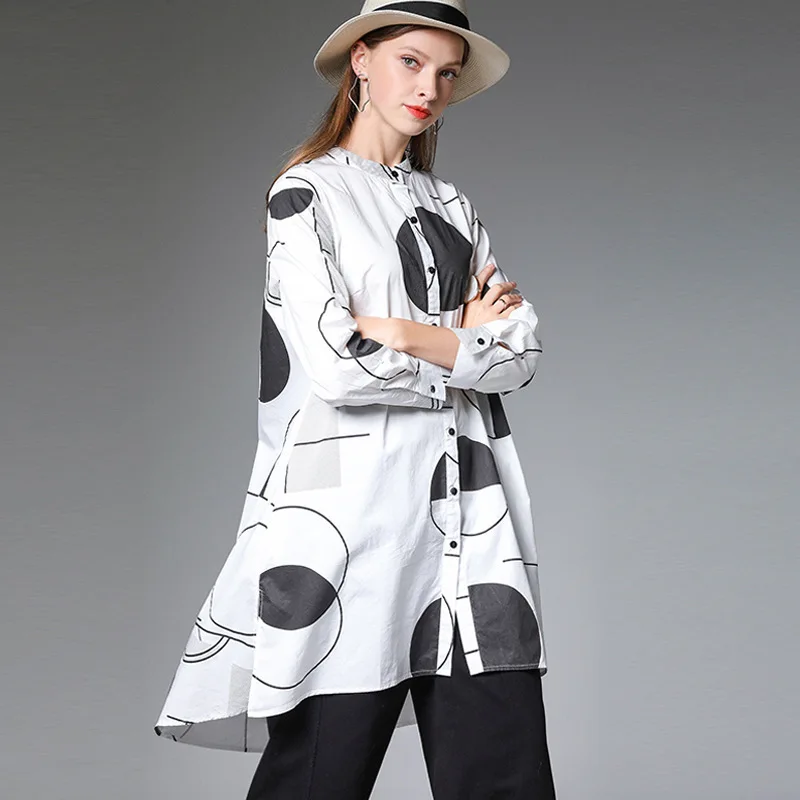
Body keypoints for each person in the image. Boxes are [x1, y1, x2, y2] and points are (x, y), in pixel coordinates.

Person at [153, 1, 557, 797]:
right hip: (350, 532)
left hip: (475, 535)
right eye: (411, 61)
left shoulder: (454, 208)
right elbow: (337, 368)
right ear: (361, 62)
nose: (429, 87)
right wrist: (461, 343)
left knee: (506, 781)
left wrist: (402, 333)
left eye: (446, 73)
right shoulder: (305, 194)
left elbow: (521, 353)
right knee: (319, 777)